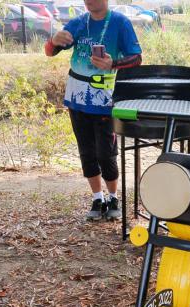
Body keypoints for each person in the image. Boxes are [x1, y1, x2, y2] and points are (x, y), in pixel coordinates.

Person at [45, 0, 142, 221]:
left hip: (105, 101)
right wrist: (53, 40)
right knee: (86, 152)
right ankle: (97, 198)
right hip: (76, 98)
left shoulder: (120, 22)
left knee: (105, 153)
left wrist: (113, 64)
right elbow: (50, 51)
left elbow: (136, 58)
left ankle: (113, 197)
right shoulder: (78, 23)